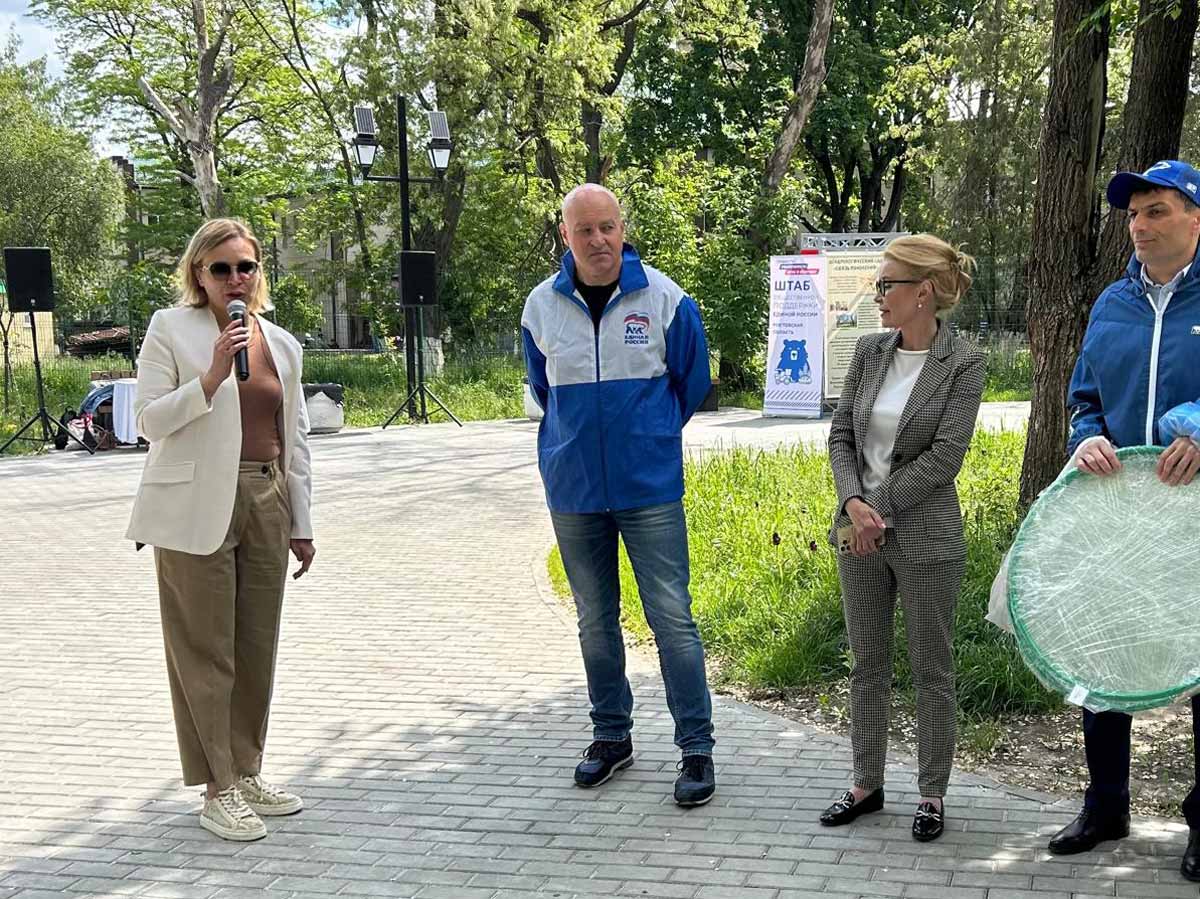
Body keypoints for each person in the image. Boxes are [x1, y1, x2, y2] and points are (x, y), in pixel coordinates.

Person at [521, 184, 717, 806]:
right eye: (585, 230)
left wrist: (648, 437)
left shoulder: (664, 298)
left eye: (607, 226)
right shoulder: (541, 306)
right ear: (566, 236)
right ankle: (611, 737)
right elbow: (542, 388)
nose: (598, 239)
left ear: (622, 228)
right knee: (594, 621)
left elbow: (692, 381)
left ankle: (696, 748)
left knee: (672, 617)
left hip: (648, 488)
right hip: (573, 488)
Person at [126, 218, 316, 842]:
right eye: (222, 268)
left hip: (266, 495)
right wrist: (208, 377)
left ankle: (247, 768)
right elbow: (147, 421)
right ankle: (217, 788)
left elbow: (297, 440)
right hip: (193, 506)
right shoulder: (170, 328)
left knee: (256, 646)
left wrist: (302, 522)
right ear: (198, 274)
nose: (236, 278)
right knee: (206, 652)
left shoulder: (281, 342)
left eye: (246, 266)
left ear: (259, 272)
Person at [1049, 160, 1200, 881]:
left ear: (1196, 217)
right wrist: (1084, 437)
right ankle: (1105, 805)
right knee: (1102, 654)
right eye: (1134, 214)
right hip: (1115, 512)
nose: (1139, 226)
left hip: (1192, 517)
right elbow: (1085, 398)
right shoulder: (1112, 302)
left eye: (1156, 210)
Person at [822, 234, 986, 842]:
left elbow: (945, 457)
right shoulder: (869, 351)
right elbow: (841, 436)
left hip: (927, 536)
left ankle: (931, 794)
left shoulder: (964, 362)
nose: (878, 294)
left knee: (930, 667)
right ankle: (866, 784)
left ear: (924, 292)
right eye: (878, 283)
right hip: (857, 532)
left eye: (887, 284)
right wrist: (853, 504)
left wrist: (877, 508)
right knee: (866, 663)